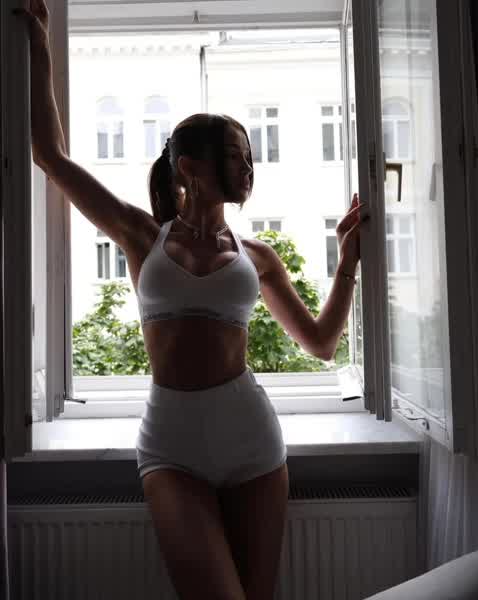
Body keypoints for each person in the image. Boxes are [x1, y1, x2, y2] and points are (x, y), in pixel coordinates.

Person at [14, 2, 364, 598]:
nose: (248, 166)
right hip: (171, 448)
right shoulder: (141, 234)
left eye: (249, 156)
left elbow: (322, 344)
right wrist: (40, 46)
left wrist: (347, 261)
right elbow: (50, 157)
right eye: (235, 155)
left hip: (253, 441)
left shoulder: (258, 256)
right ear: (190, 166)